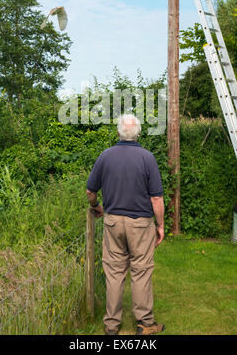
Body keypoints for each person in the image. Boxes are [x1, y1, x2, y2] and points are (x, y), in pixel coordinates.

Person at [86, 114, 165, 336]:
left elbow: (90, 191)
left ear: (119, 132)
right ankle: (145, 323)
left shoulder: (105, 156)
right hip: (141, 224)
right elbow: (156, 199)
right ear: (138, 133)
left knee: (114, 272)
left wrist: (97, 207)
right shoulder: (147, 158)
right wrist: (160, 226)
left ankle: (111, 325)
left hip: (112, 222)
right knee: (141, 271)